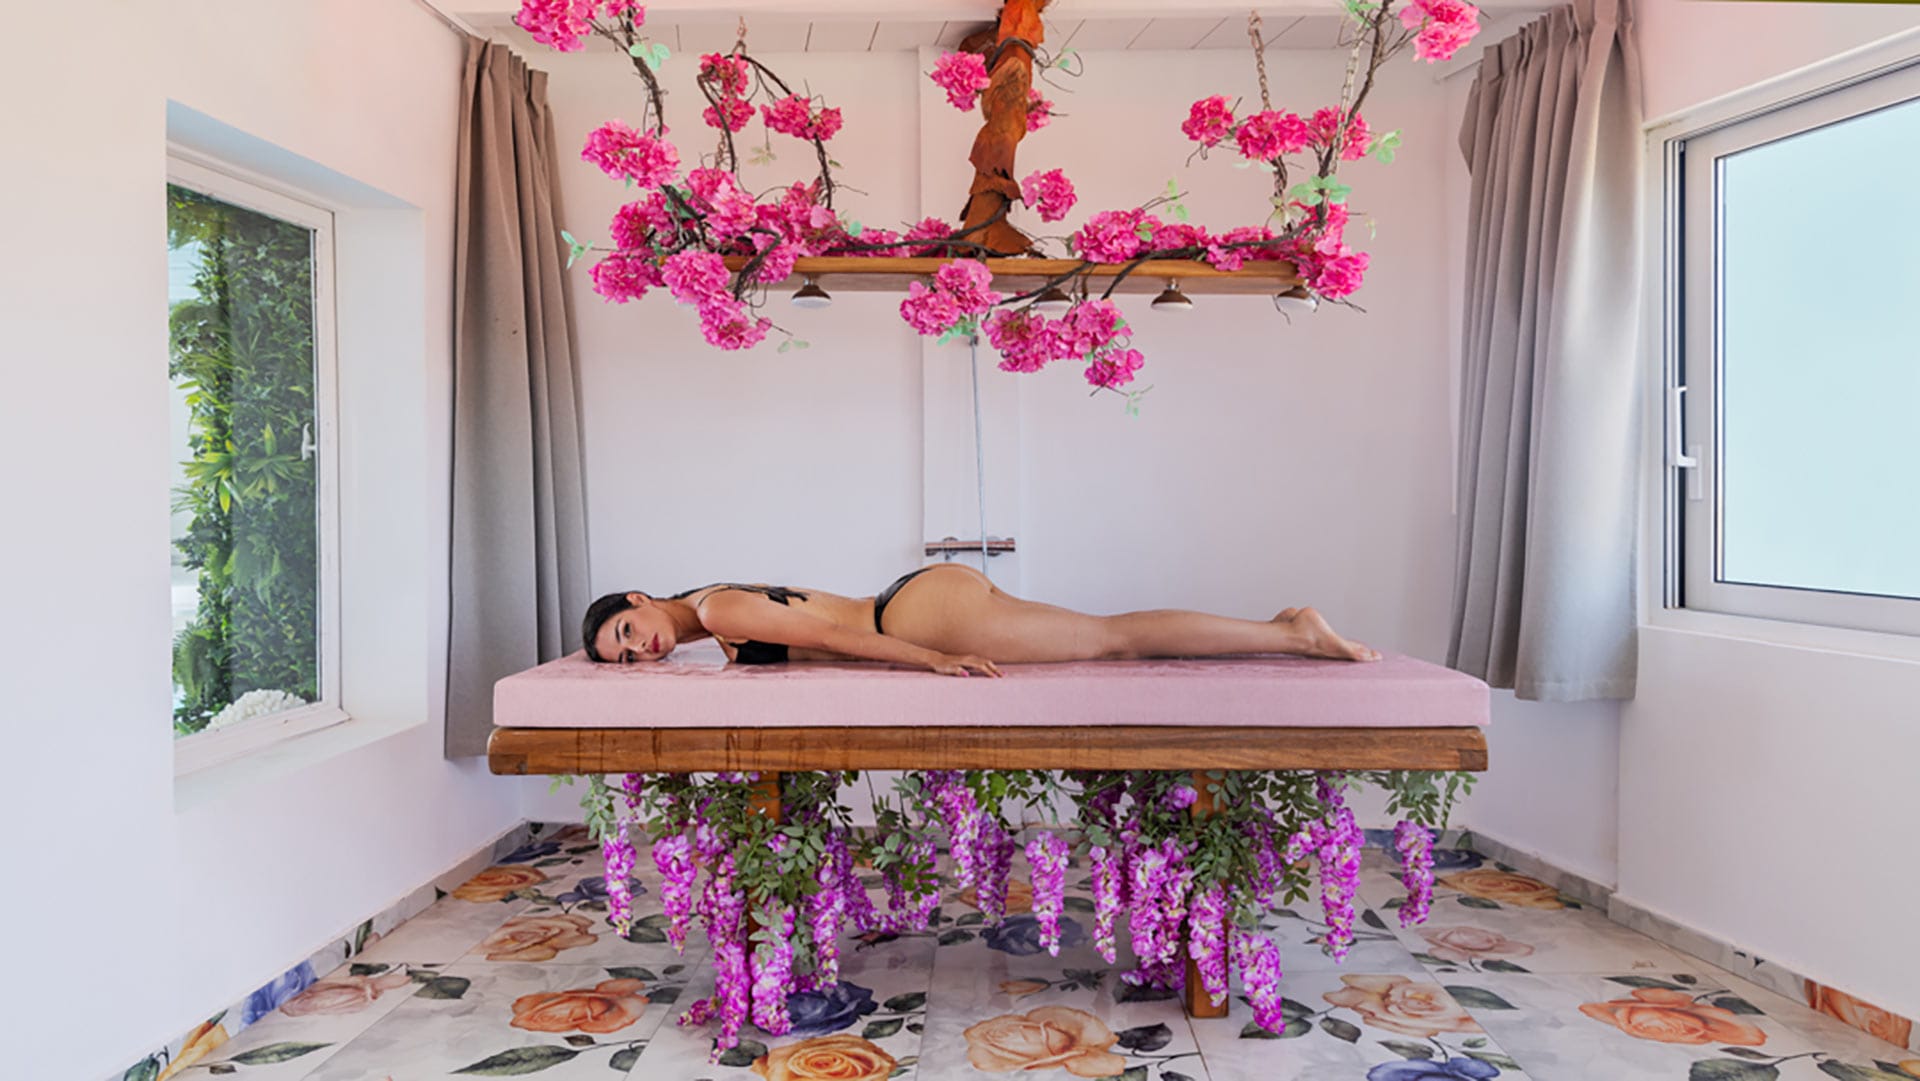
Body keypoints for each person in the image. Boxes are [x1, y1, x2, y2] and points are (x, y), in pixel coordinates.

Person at [580, 563, 1381, 677]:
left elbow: (827, 637)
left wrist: (930, 658)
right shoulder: (713, 622)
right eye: (625, 658)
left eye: (624, 632)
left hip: (918, 616)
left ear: (639, 599)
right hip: (918, 602)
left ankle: (1293, 635)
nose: (639, 650)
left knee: (1114, 639)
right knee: (1110, 633)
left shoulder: (716, 607)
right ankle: (1278, 627)